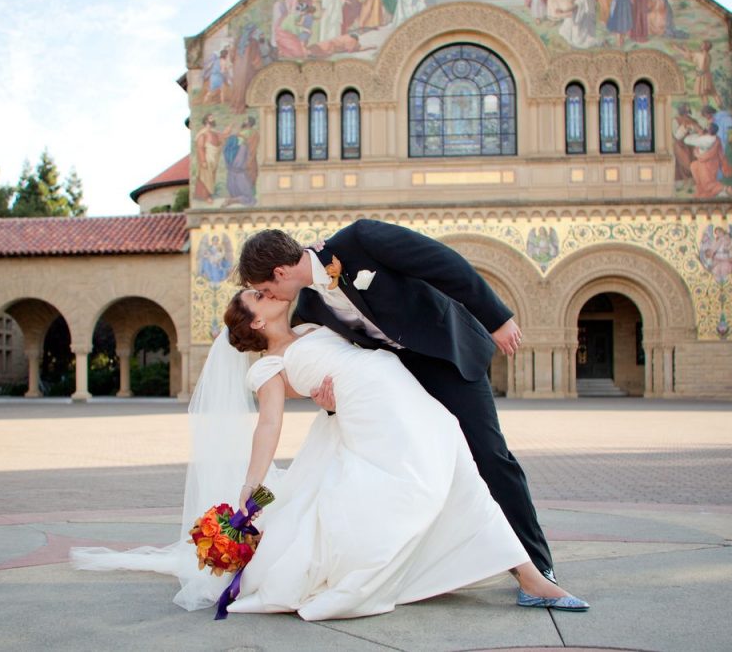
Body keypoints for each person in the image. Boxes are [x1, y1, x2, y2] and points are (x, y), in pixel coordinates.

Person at [222, 290, 587, 618]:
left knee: (459, 469)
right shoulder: (268, 367)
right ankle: (517, 574)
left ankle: (530, 578)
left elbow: (332, 369)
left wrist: (325, 399)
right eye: (257, 295)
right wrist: (252, 482)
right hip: (374, 414)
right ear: (256, 321)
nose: (266, 292)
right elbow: (269, 424)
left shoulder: (309, 327)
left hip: (401, 392)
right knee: (421, 487)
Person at [236, 221, 558, 583]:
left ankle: (537, 565)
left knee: (489, 454)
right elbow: (333, 361)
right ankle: (440, 563)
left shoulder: (360, 240)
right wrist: (328, 402)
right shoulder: (307, 309)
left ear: (280, 273)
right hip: (399, 380)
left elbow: (444, 264)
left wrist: (497, 319)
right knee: (425, 466)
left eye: (265, 289)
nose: (271, 297)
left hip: (447, 354)